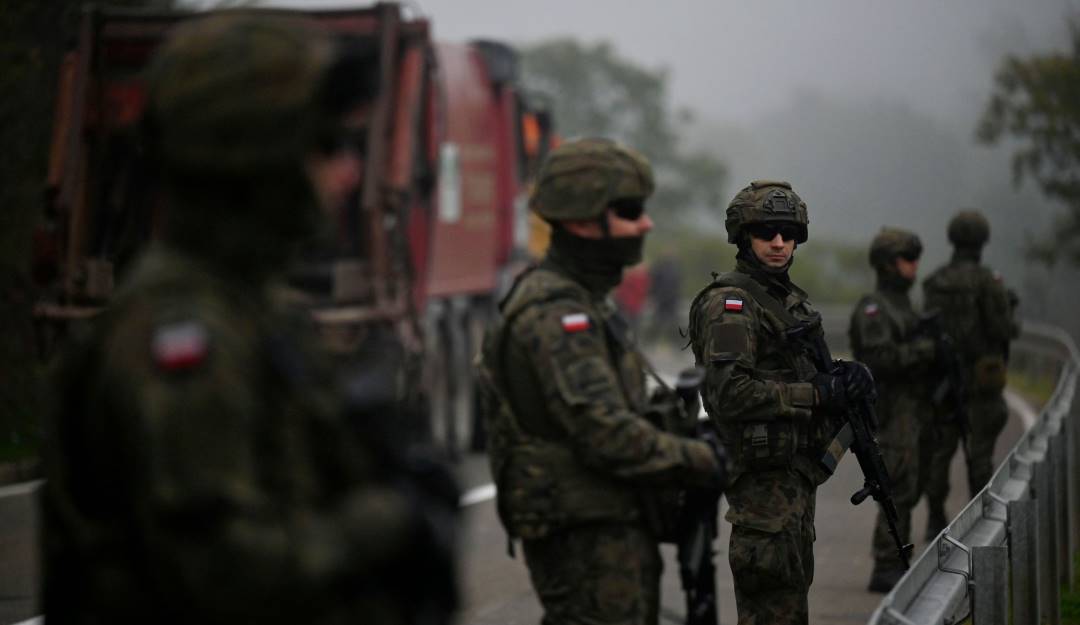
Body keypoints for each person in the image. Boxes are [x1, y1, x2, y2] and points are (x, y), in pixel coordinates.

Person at [41, 14, 457, 625]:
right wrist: (384, 521)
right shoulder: (186, 331)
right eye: (324, 146)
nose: (346, 174)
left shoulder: (252, 308)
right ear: (254, 154)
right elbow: (224, 575)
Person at [477, 137, 727, 625]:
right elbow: (604, 432)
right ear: (581, 219)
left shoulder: (587, 301)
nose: (646, 223)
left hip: (606, 524)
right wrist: (698, 459)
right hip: (584, 535)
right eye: (630, 210)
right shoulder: (558, 314)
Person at [687, 180, 875, 625]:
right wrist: (816, 394)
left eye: (787, 234)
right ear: (742, 237)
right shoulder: (730, 305)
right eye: (766, 232)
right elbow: (728, 393)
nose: (778, 243)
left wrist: (844, 377)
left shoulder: (787, 300)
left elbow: (795, 371)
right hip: (761, 491)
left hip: (793, 482)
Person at [848, 228, 937, 592]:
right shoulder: (875, 308)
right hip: (891, 407)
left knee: (913, 482)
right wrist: (925, 351)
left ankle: (897, 559)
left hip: (916, 406)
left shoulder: (905, 306)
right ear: (887, 264)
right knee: (897, 483)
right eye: (906, 259)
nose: (914, 266)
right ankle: (887, 564)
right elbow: (878, 358)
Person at [921, 209, 1018, 538]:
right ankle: (981, 523)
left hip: (944, 381)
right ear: (982, 241)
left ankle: (935, 517)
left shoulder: (935, 282)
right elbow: (1002, 327)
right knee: (979, 455)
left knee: (940, 452)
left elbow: (926, 327)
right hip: (980, 381)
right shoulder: (988, 282)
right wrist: (1010, 310)